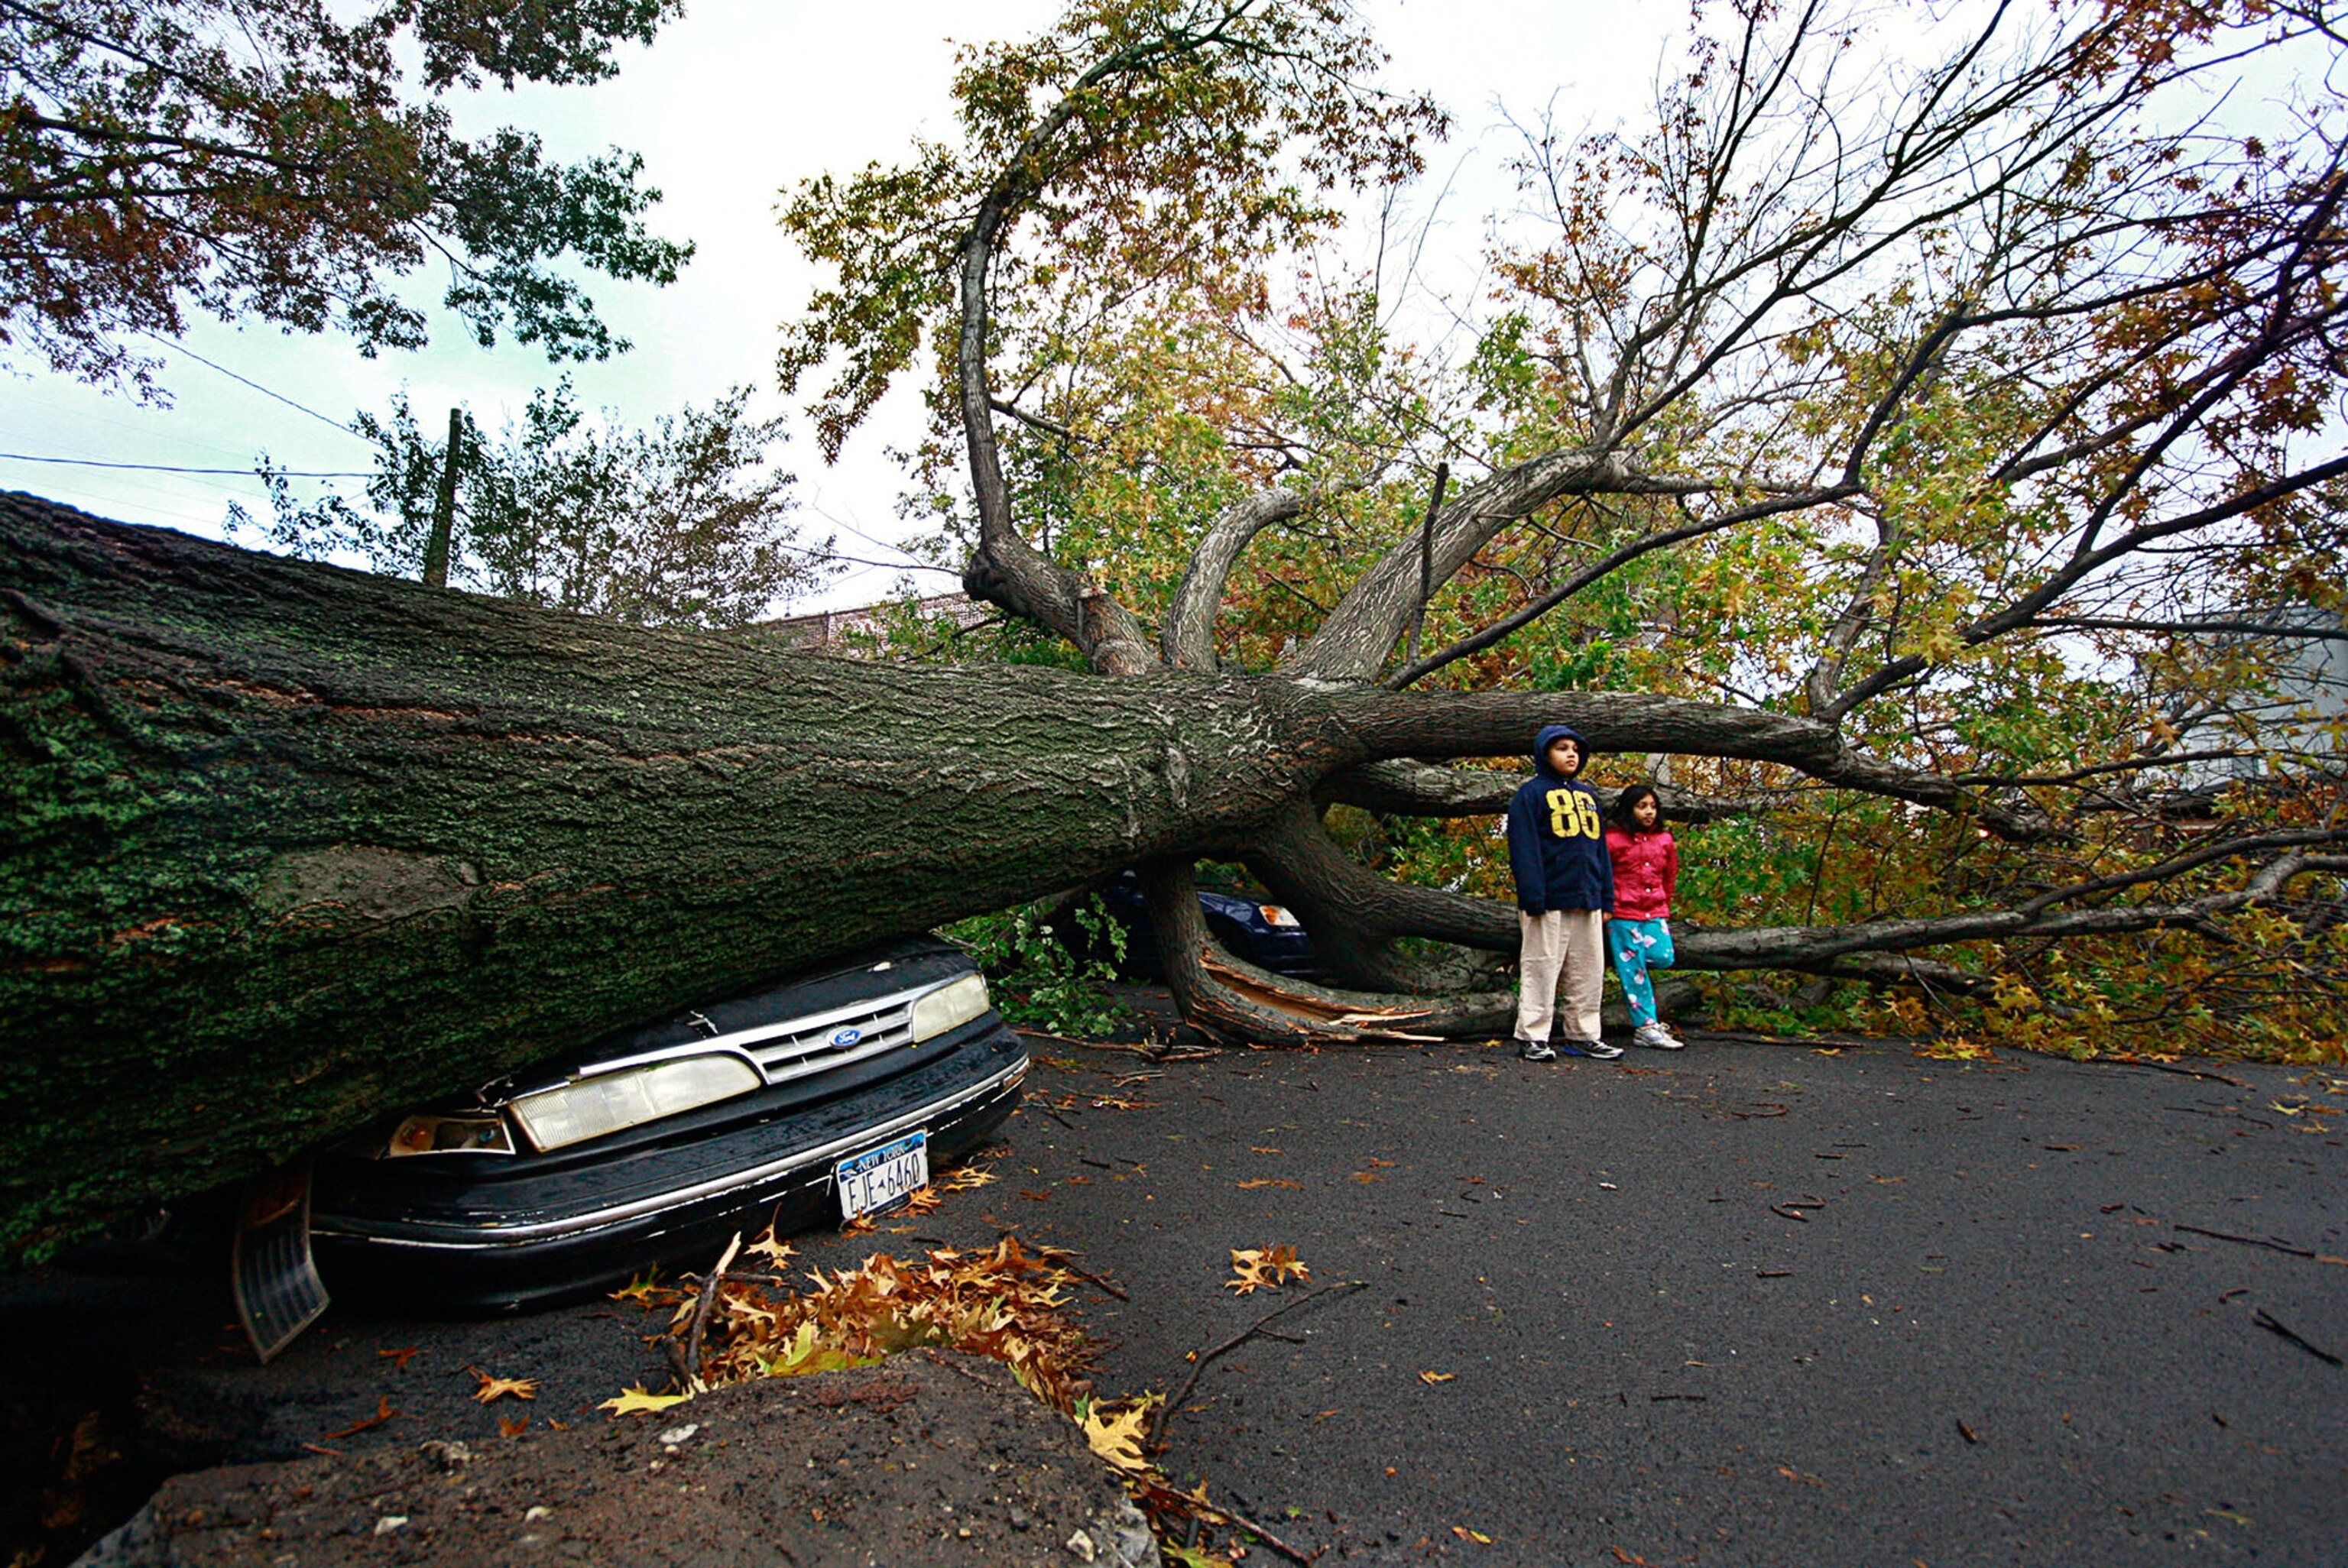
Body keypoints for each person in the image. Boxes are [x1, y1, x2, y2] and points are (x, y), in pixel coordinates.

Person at [1505, 724, 1620, 1061]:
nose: (1571, 754)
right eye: (1561, 748)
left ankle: (1584, 1035)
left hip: (1588, 898)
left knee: (1589, 970)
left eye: (1575, 749)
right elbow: (1524, 849)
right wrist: (1533, 896)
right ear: (1544, 754)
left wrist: (1607, 898)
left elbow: (1600, 851)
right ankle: (1534, 1036)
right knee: (1541, 966)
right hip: (1548, 900)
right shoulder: (1530, 795)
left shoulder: (1589, 797)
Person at [1604, 784, 1685, 1050]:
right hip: (1622, 913)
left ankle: (1646, 1016)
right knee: (1634, 971)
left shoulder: (1664, 840)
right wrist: (1607, 906)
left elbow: (1669, 875)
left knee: (1664, 956)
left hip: (1654, 911)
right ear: (1629, 809)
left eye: (1652, 806)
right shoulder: (1613, 840)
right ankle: (1647, 1026)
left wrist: (1664, 902)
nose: (1649, 812)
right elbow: (1602, 875)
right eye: (1642, 806)